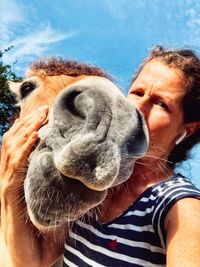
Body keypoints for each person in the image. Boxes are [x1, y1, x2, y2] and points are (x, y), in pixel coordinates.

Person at [1, 45, 200, 267]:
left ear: (187, 130)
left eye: (161, 104)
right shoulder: (95, 179)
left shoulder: (180, 207)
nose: (139, 108)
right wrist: (9, 184)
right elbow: (34, 262)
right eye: (136, 92)